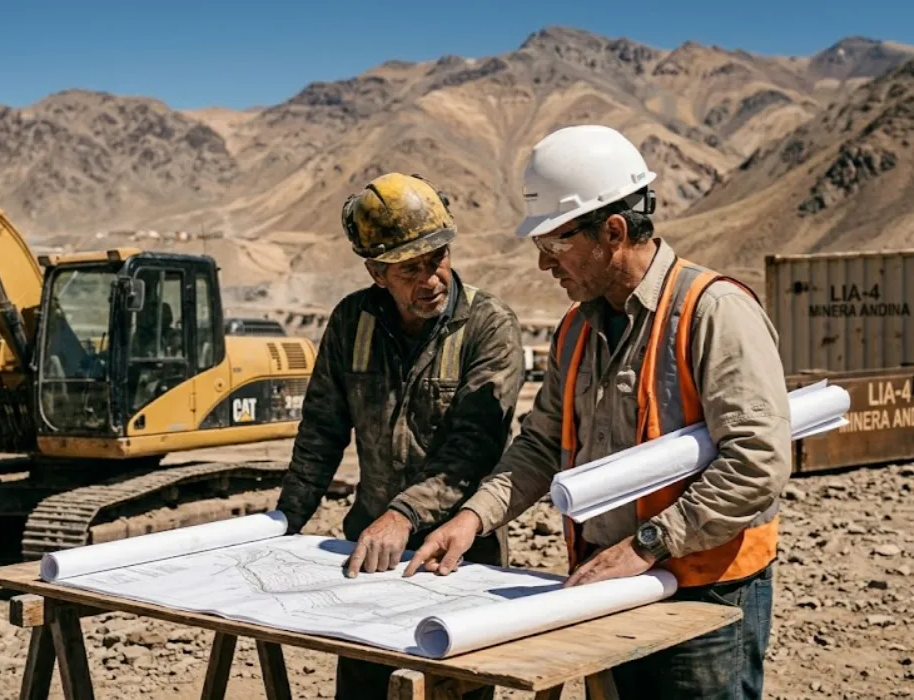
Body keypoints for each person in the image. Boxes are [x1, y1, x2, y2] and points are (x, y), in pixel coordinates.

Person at [402, 125, 792, 700]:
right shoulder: (576, 330)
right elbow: (539, 445)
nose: (542, 265)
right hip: (610, 587)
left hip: (705, 598)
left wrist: (645, 546)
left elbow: (757, 461)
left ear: (612, 232)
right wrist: (471, 520)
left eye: (555, 244)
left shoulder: (715, 312)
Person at [275, 172, 525, 700]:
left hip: (459, 561)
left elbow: (472, 451)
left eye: (438, 259)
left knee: (452, 689)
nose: (430, 278)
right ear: (376, 272)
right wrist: (282, 521)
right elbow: (320, 432)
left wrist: (404, 514)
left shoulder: (488, 327)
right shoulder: (352, 322)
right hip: (371, 556)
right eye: (410, 268)